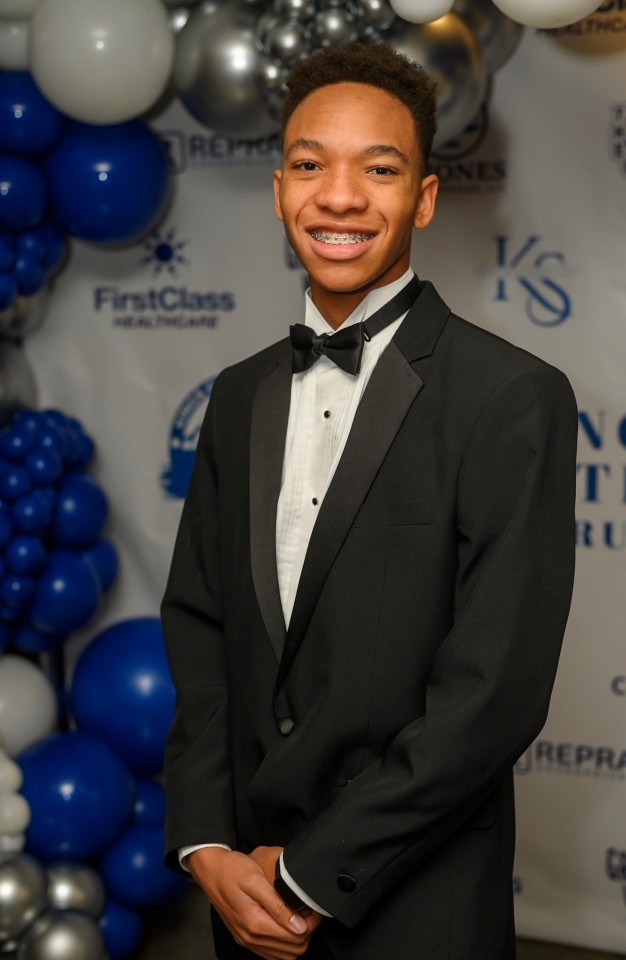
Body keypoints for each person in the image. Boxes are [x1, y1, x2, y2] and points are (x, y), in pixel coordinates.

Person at [162, 42, 577, 960]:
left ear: (423, 198)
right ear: (279, 191)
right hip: (243, 899)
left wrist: (309, 873)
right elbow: (199, 628)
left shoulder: (513, 397)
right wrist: (206, 844)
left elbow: (495, 693)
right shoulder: (238, 394)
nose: (340, 197)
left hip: (416, 905)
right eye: (311, 165)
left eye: (378, 169)